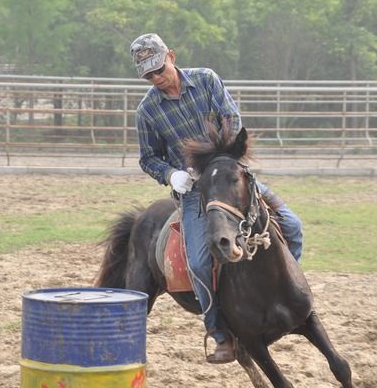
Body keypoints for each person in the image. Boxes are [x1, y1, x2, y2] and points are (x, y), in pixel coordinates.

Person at [130, 33, 303, 364]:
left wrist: (216, 160)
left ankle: (287, 294)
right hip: (194, 193)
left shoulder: (207, 80)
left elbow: (232, 121)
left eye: (159, 68)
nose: (156, 78)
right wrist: (171, 175)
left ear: (171, 55)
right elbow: (148, 158)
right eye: (148, 75)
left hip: (227, 177)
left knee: (292, 225)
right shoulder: (148, 111)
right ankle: (220, 334)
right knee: (197, 261)